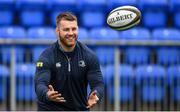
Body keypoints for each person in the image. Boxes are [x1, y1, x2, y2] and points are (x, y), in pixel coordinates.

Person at [34, 12, 104, 111]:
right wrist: (47, 94)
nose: (71, 33)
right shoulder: (46, 57)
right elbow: (39, 84)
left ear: (78, 29)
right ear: (57, 31)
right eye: (66, 29)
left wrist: (97, 95)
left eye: (74, 29)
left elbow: (98, 84)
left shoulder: (89, 56)